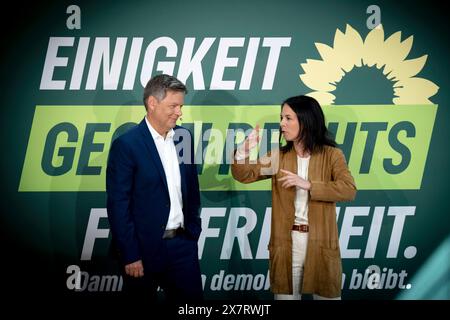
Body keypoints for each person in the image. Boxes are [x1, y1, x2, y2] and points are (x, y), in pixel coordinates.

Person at [231, 95, 356, 300]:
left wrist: (308, 185)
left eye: (288, 118)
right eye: (282, 118)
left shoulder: (332, 155)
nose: (282, 124)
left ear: (306, 120)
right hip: (287, 244)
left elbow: (348, 189)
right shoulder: (278, 156)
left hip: (320, 242)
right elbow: (245, 175)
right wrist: (243, 152)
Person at [106, 74, 203, 302]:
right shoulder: (126, 145)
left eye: (180, 106)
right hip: (143, 251)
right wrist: (130, 255)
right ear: (152, 103)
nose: (179, 112)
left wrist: (193, 232)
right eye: (173, 106)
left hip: (182, 247)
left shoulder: (184, 137)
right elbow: (118, 205)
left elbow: (192, 190)